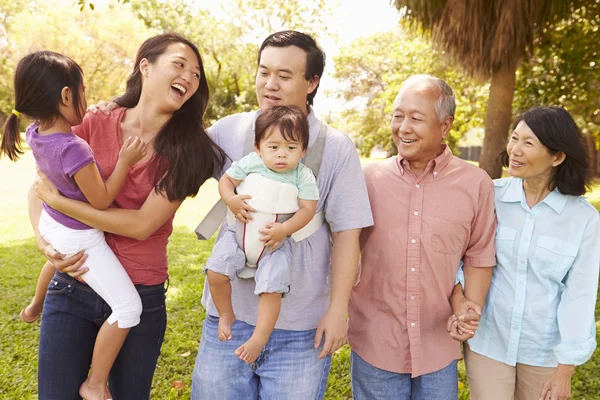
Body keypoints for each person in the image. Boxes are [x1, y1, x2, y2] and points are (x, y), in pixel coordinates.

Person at [30, 33, 226, 399]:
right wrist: (45, 243)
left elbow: (141, 225)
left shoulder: (192, 149)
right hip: (74, 285)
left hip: (140, 291)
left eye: (197, 74)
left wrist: (64, 205)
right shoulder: (94, 121)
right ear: (145, 66)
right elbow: (40, 185)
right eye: (180, 64)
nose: (190, 76)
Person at [192, 30, 373, 399]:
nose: (269, 84)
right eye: (263, 72)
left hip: (300, 327)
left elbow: (348, 237)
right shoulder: (230, 131)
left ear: (312, 82)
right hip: (229, 320)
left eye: (284, 75)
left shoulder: (336, 148)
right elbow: (172, 159)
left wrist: (337, 311)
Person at [0, 50, 149, 400]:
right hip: (79, 238)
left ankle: (35, 305)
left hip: (53, 225)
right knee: (129, 309)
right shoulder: (73, 148)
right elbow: (101, 201)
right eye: (82, 91)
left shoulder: (36, 132)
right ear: (66, 96)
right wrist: (126, 160)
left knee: (54, 261)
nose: (86, 97)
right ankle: (95, 383)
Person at [347, 74, 497, 400]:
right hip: (376, 340)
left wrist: (468, 307)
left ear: (445, 126)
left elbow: (479, 255)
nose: (403, 127)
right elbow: (344, 250)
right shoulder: (368, 179)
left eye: (416, 118)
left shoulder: (476, 183)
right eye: (398, 116)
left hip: (438, 344)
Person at [448, 106, 600, 400]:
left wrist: (565, 366)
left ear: (557, 156)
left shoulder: (583, 219)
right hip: (489, 343)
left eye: (528, 143)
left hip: (543, 351)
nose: (514, 150)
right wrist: (459, 297)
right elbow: (458, 256)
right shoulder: (490, 195)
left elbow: (579, 294)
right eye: (514, 138)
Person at [205, 104, 319, 364]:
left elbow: (307, 210)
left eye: (291, 148)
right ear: (258, 147)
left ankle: (260, 336)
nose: (282, 155)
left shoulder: (303, 176)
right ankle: (225, 314)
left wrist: (285, 229)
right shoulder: (251, 162)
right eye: (274, 147)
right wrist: (231, 200)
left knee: (272, 288)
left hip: (274, 245)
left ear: (302, 151)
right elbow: (226, 182)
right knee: (216, 272)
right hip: (238, 238)